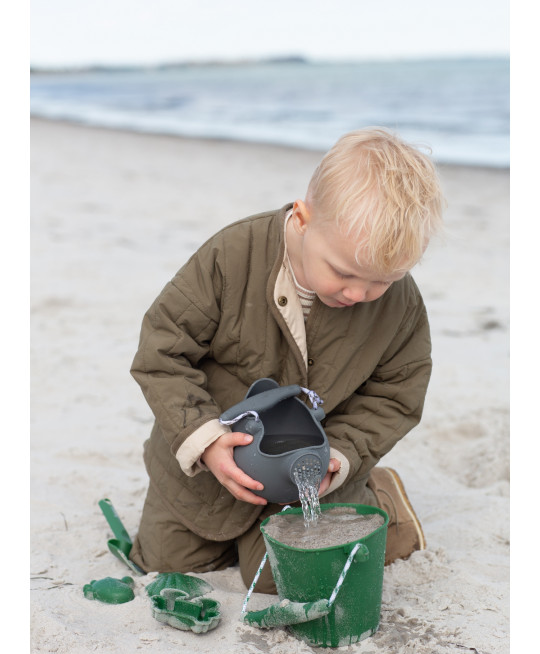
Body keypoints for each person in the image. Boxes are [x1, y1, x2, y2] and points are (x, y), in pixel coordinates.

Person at [129, 127, 444, 593]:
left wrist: (342, 457)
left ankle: (383, 498)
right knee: (165, 563)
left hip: (307, 471)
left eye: (382, 280)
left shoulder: (400, 306)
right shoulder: (232, 257)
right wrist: (205, 441)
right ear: (302, 218)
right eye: (342, 272)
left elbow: (395, 396)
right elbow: (161, 352)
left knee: (287, 578)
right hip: (208, 468)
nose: (359, 293)